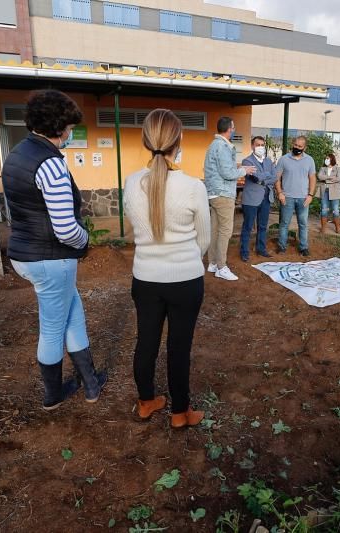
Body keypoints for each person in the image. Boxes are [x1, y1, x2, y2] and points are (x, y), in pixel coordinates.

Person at [2, 89, 107, 410]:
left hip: (25, 252)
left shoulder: (18, 154)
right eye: (70, 126)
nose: (71, 132)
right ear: (59, 126)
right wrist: (84, 241)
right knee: (52, 328)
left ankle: (90, 384)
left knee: (73, 313)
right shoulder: (50, 165)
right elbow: (64, 228)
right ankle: (53, 395)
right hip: (50, 258)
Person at [123, 108, 211, 428]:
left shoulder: (131, 183)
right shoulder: (193, 186)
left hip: (145, 278)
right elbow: (204, 240)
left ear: (146, 140)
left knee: (145, 341)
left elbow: (135, 228)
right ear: (179, 141)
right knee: (179, 347)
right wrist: (185, 258)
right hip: (185, 280)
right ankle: (180, 412)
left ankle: (147, 402)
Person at [203, 116, 255, 281]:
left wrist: (240, 168)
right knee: (225, 231)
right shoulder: (223, 146)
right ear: (228, 129)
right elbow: (228, 173)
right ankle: (221, 267)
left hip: (214, 192)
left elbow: (223, 169)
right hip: (223, 193)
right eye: (233, 128)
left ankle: (212, 263)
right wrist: (245, 171)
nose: (234, 130)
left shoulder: (214, 145)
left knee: (215, 229)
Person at [275, 136, 317, 256]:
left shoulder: (310, 160)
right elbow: (277, 178)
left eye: (300, 146)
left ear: (305, 147)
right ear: (292, 144)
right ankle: (282, 246)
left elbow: (312, 178)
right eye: (296, 145)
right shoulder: (283, 159)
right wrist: (280, 193)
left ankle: (303, 247)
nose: (297, 148)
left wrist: (310, 195)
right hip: (287, 197)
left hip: (303, 198)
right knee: (284, 223)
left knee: (303, 224)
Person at [240, 136, 277, 260]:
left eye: (262, 145)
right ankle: (244, 252)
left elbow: (275, 177)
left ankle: (261, 249)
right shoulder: (247, 161)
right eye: (258, 145)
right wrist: (266, 175)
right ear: (252, 146)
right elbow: (255, 177)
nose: (260, 147)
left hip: (266, 198)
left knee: (262, 226)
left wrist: (264, 178)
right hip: (251, 199)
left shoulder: (268, 161)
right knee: (248, 226)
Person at [316, 152, 340, 234]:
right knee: (324, 210)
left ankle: (338, 228)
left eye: (328, 158)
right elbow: (319, 176)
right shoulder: (322, 168)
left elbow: (338, 178)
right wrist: (330, 178)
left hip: (334, 192)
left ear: (332, 159)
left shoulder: (337, 168)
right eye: (326, 158)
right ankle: (323, 228)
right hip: (325, 191)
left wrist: (325, 179)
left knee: (336, 210)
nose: (326, 160)